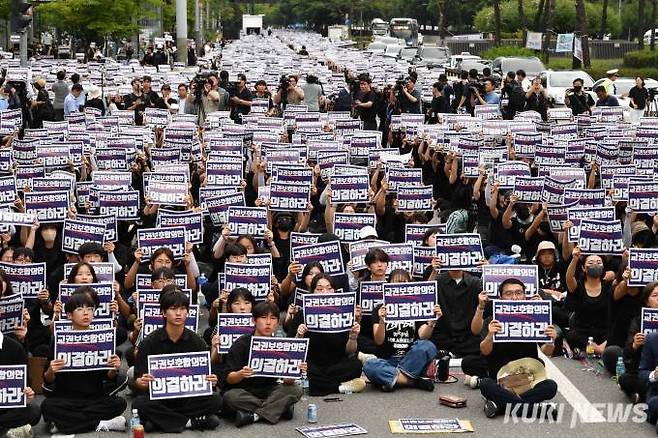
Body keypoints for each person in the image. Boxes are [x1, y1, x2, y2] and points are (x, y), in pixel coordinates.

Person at [132, 287, 222, 432]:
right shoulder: (149, 342)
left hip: (188, 399)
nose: (178, 313)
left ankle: (160, 422)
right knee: (139, 404)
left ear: (188, 312)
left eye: (182, 309)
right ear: (163, 312)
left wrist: (210, 380)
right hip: (159, 399)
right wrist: (142, 382)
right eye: (173, 309)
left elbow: (206, 377)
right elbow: (138, 378)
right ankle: (191, 422)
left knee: (216, 400)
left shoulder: (196, 341)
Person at [41, 288, 127, 434]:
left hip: (94, 397)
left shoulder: (103, 337)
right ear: (69, 315)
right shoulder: (59, 339)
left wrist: (114, 368)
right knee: (47, 406)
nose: (86, 313)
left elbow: (108, 377)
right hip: (66, 397)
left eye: (90, 308)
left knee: (120, 403)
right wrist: (52, 370)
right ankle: (100, 423)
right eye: (80, 309)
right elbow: (47, 379)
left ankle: (65, 424)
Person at [478, 279, 558, 418]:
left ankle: (500, 405)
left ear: (525, 296)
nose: (514, 297)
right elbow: (485, 351)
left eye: (518, 293)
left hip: (529, 380)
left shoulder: (536, 318)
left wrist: (551, 341)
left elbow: (546, 353)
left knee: (550, 386)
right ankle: (534, 409)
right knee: (485, 384)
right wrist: (490, 335)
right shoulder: (492, 319)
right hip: (500, 379)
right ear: (500, 298)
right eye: (509, 293)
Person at [222, 301, 304, 427]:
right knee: (230, 397)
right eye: (263, 318)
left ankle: (254, 415)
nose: (268, 322)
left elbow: (287, 381)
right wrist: (241, 373)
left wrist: (295, 369)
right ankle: (278, 408)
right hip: (243, 390)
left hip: (269, 389)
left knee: (295, 389)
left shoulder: (280, 345)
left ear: (277, 322)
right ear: (254, 320)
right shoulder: (242, 343)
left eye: (273, 318)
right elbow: (229, 379)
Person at [287, 273, 365, 396]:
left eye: (329, 288)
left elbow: (350, 351)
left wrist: (353, 337)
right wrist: (299, 335)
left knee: (356, 365)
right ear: (312, 292)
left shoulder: (343, 314)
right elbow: (291, 350)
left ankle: (319, 385)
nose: (325, 292)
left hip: (335, 363)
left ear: (335, 291)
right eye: (319, 289)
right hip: (311, 364)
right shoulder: (301, 315)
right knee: (303, 370)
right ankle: (339, 387)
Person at [363, 269, 439, 392]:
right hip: (388, 360)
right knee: (370, 366)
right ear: (388, 285)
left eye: (404, 282)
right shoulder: (379, 308)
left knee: (428, 346)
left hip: (411, 359)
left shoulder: (416, 306)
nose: (400, 286)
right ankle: (412, 381)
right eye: (396, 282)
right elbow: (378, 341)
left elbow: (423, 335)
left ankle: (394, 380)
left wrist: (432, 322)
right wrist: (382, 320)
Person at [0, 331, 41, 437]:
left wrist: (26, 395)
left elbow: (25, 382)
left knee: (33, 411)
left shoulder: (14, 347)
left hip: (7, 407)